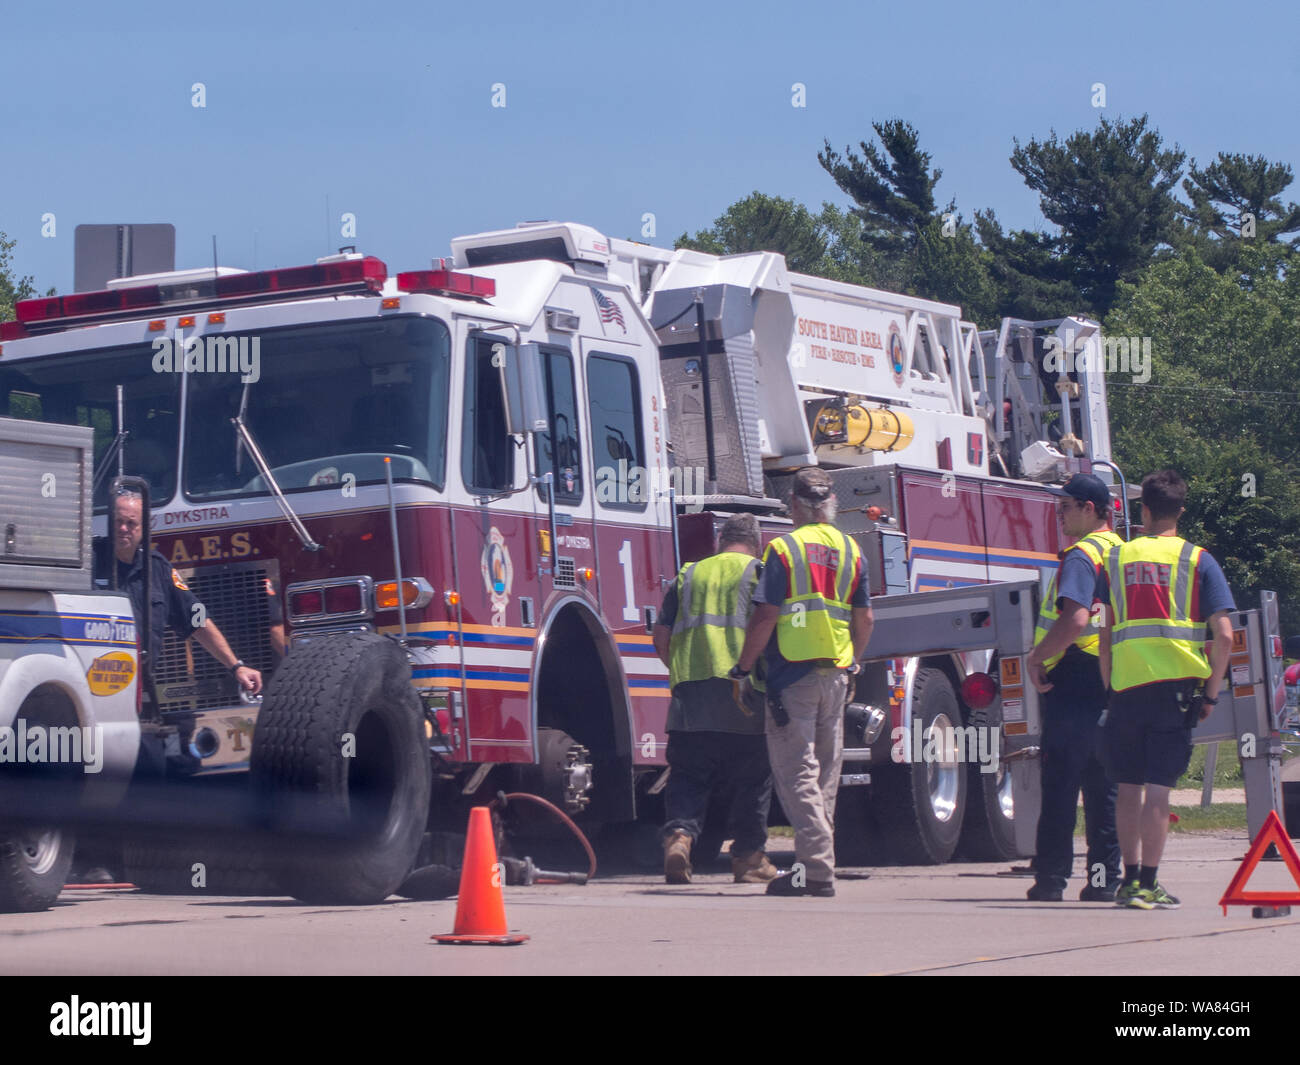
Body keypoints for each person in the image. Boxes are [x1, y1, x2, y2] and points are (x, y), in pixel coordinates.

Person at [733, 468, 873, 898]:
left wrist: (742, 669)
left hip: (792, 674)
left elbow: (765, 616)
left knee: (796, 774)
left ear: (793, 504)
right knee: (824, 776)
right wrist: (854, 663)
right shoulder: (851, 549)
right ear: (830, 502)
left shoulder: (784, 549)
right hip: (836, 671)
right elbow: (864, 617)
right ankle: (813, 867)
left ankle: (816, 867)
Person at [1099, 469, 1234, 910]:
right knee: (1158, 789)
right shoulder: (1198, 560)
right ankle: (1149, 884)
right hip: (1175, 691)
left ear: (1144, 509)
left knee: (1127, 785)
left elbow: (1105, 630)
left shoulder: (1116, 559)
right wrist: (1211, 693)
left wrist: (1110, 684)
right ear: (1181, 509)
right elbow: (1227, 636)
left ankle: (1128, 880)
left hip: (1125, 687)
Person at [652, 513, 778, 885]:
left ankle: (679, 838)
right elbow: (769, 625)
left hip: (691, 696)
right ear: (757, 542)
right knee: (752, 781)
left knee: (689, 776)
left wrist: (681, 670)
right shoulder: (760, 571)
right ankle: (748, 859)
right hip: (744, 691)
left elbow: (661, 635)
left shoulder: (689, 575)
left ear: (720, 539)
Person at [1023, 474, 1123, 902]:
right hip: (1114, 675)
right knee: (1104, 787)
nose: (1059, 514)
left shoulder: (1081, 555)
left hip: (1075, 675)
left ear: (1088, 508)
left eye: (1065, 507)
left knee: (1061, 782)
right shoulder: (1122, 551)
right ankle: (1103, 881)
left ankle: (1050, 880)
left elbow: (1076, 620)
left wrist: (1037, 658)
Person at [95, 488, 264, 699]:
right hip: (92, 681)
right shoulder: (90, 561)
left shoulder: (158, 569)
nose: (123, 528)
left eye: (131, 523)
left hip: (137, 687)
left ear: (146, 527)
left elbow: (197, 618)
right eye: (117, 521)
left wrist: (236, 666)